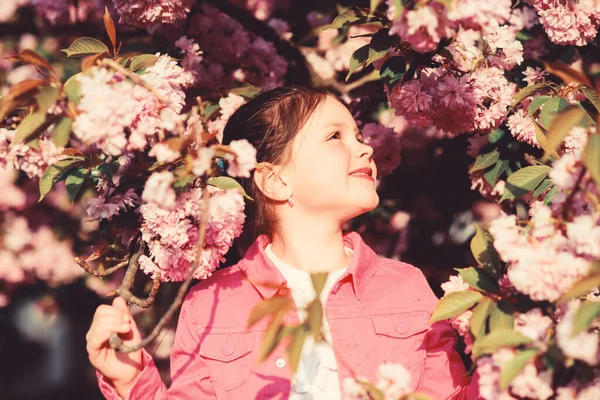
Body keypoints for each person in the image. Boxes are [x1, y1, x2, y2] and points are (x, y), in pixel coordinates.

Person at [86, 86, 478, 399]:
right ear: (275, 181)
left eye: (358, 135)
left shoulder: (405, 286)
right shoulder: (213, 302)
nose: (365, 147)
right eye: (335, 136)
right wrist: (131, 379)